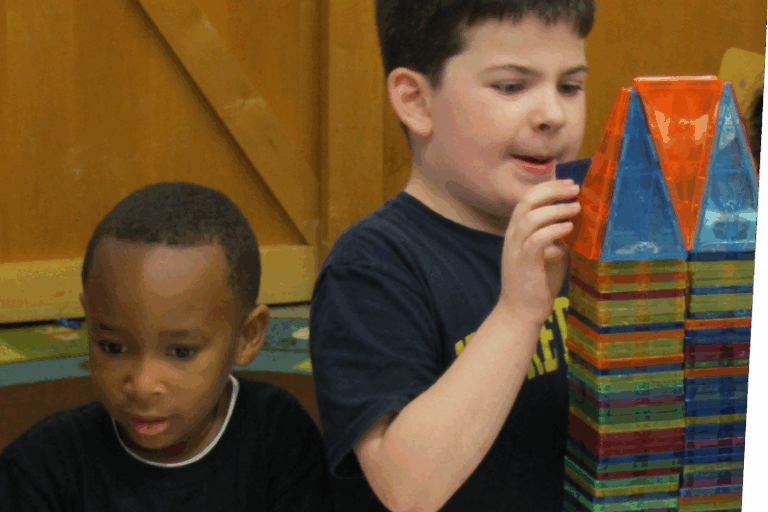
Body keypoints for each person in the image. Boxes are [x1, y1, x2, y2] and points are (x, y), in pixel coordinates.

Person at [309, 1, 595, 511]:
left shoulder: (588, 233)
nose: (553, 114)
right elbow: (408, 489)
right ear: (416, 101)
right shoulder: (372, 267)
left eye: (570, 86)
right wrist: (518, 313)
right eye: (511, 86)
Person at [0, 182, 334, 512]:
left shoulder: (277, 437)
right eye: (113, 347)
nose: (143, 385)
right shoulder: (42, 467)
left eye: (181, 352)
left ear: (247, 336)